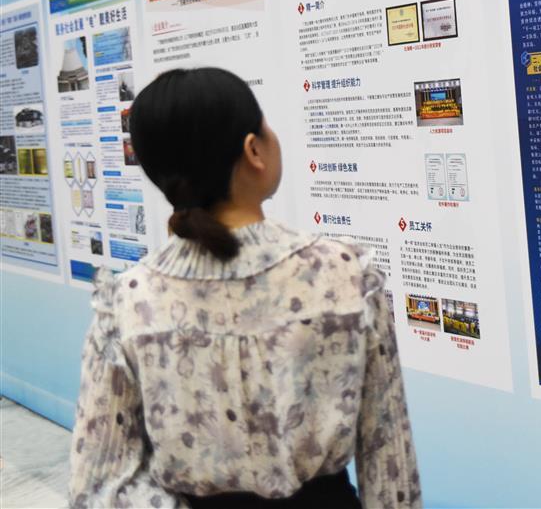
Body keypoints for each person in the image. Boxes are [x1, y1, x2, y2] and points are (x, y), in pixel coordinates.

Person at [69, 67, 420, 509]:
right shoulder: (345, 273)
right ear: (254, 150)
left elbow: (98, 485)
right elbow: (389, 460)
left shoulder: (128, 301)